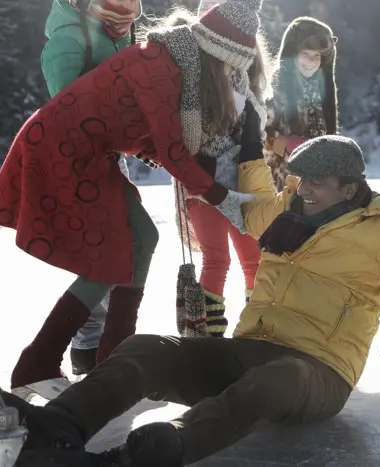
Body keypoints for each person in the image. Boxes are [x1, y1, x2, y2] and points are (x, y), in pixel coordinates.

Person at [1, 135, 380, 466]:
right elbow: (244, 201)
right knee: (148, 348)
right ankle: (56, 428)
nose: (300, 191)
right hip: (250, 347)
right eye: (296, 181)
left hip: (318, 371)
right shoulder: (287, 211)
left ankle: (144, 458)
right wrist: (239, 144)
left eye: (313, 184)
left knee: (274, 380)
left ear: (348, 185)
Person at [0, 0, 258, 401]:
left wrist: (166, 158)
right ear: (216, 51)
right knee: (109, 258)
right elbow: (171, 149)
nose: (228, 76)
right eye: (229, 66)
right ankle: (37, 364)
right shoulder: (159, 67)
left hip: (87, 151)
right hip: (61, 150)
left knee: (143, 237)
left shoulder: (174, 62)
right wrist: (219, 195)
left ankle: (115, 358)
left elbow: (133, 123)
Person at [40, 0, 147, 378]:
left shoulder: (117, 30)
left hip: (108, 158)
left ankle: (106, 345)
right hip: (77, 164)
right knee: (114, 248)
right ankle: (87, 344)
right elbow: (67, 115)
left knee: (134, 241)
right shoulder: (68, 40)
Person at [172, 1, 272, 337]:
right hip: (203, 183)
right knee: (217, 259)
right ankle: (208, 333)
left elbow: (254, 121)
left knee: (253, 256)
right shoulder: (195, 79)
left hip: (239, 177)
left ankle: (257, 328)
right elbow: (189, 136)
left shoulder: (241, 75)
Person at [263, 16, 338, 192]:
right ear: (293, 53)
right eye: (305, 54)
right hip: (283, 182)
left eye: (317, 56)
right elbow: (261, 137)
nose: (311, 62)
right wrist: (289, 144)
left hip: (316, 180)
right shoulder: (275, 87)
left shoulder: (319, 88)